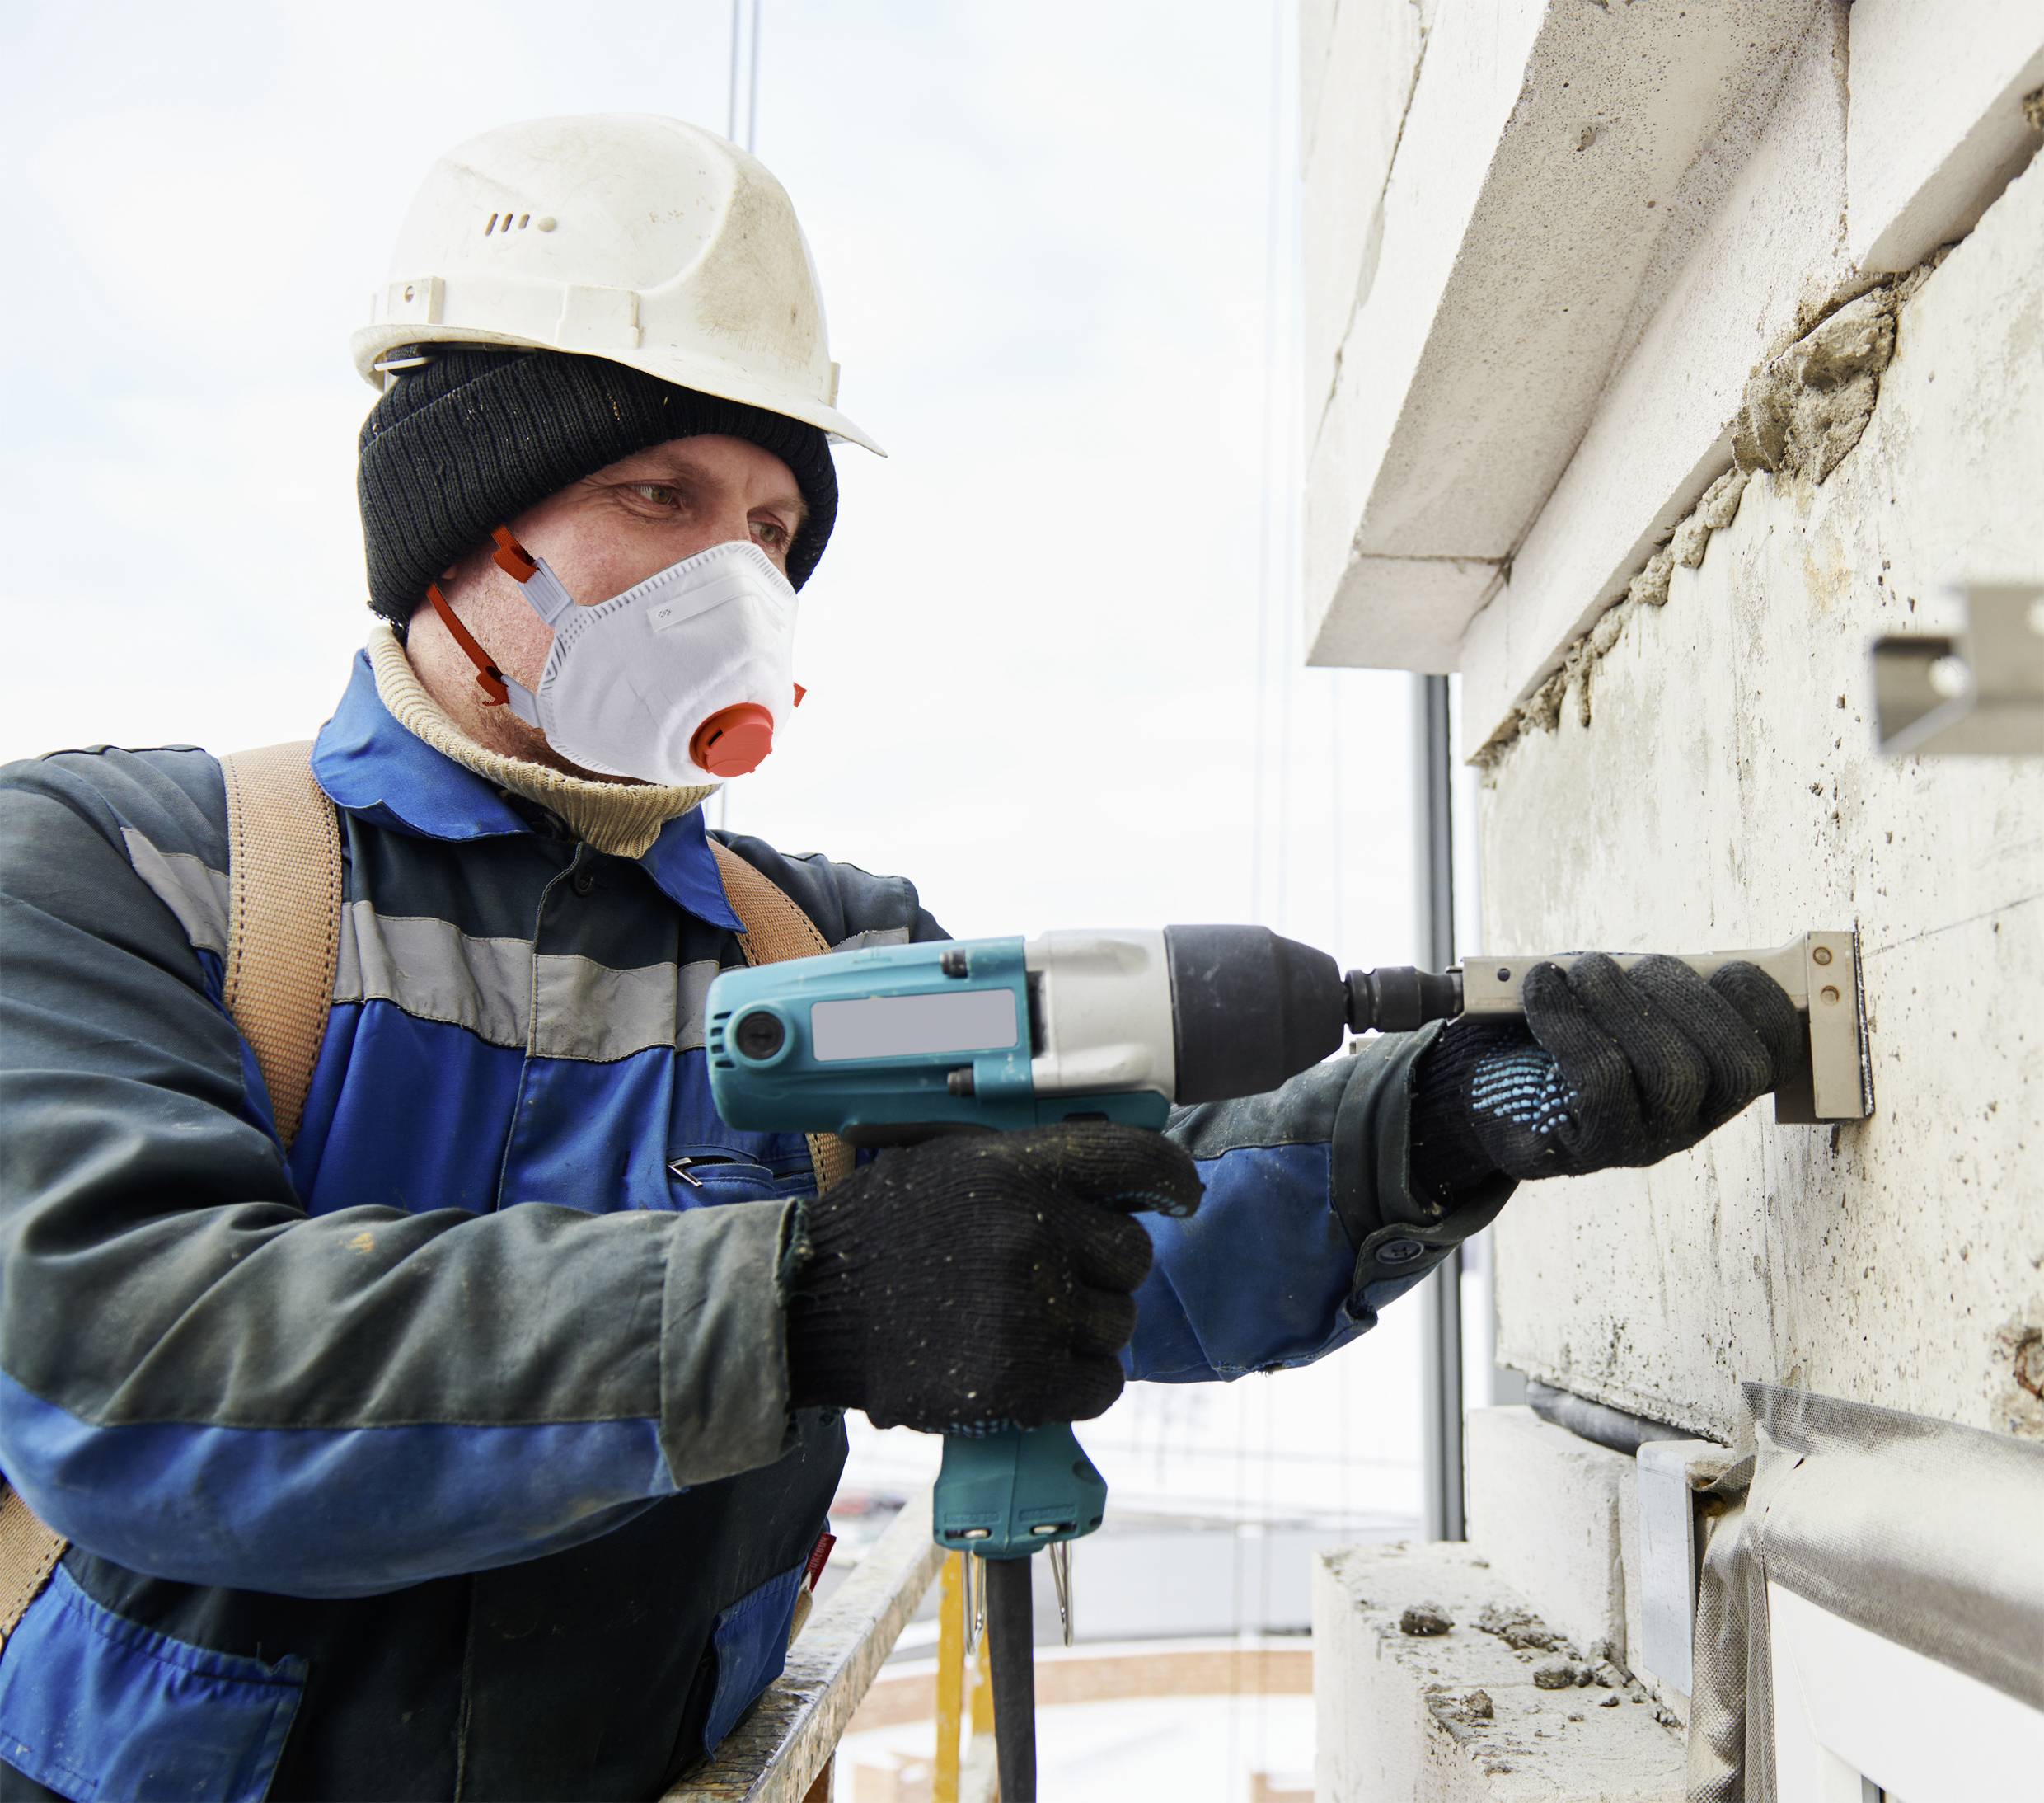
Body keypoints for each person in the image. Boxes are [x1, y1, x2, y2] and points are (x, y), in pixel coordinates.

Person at [0, 115, 1802, 1802]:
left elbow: (1116, 1242)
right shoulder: (134, 870)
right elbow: (132, 1366)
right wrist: (798, 1302)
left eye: (774, 531)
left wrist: (1438, 1119)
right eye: (658, 492)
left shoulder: (830, 939)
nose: (736, 579)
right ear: (468, 514)